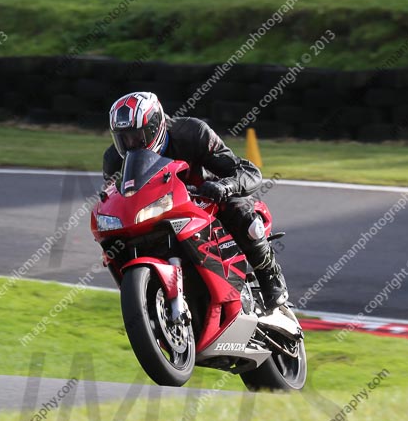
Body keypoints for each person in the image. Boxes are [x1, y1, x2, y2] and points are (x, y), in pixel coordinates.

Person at [103, 92, 289, 310]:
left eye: (137, 135)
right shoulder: (114, 160)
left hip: (207, 200)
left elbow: (246, 170)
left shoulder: (192, 132)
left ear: (155, 126)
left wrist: (224, 186)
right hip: (158, 210)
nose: (131, 144)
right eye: (123, 138)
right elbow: (114, 197)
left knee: (240, 212)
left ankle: (270, 275)